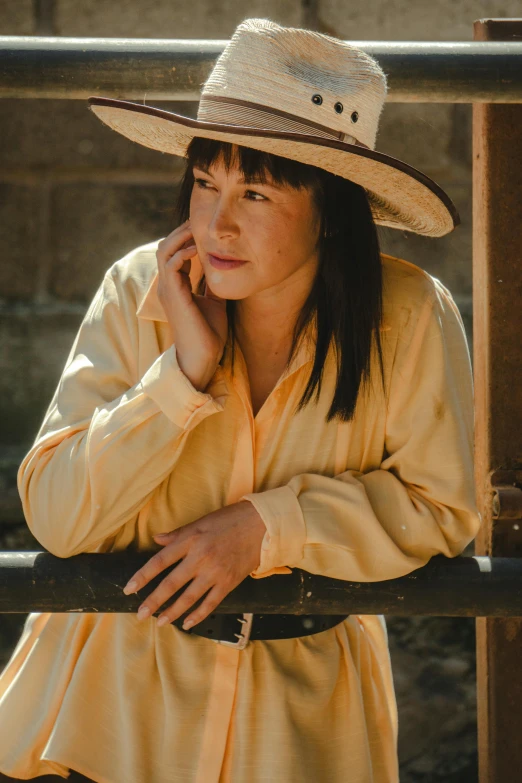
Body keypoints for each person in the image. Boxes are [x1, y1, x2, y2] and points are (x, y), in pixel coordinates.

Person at [0, 17, 480, 783]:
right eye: (204, 183)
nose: (216, 223)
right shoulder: (138, 292)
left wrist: (269, 527)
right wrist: (180, 376)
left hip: (300, 727)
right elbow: (56, 515)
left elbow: (444, 506)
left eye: (254, 190)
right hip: (104, 715)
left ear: (330, 208)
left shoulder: (411, 315)